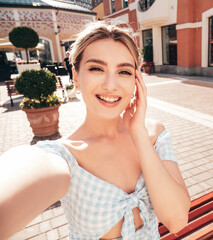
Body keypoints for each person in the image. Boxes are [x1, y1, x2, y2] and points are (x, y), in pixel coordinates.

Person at [0, 21, 190, 240]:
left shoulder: (154, 134)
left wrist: (138, 132)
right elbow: (22, 172)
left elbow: (177, 221)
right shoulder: (64, 156)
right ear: (77, 76)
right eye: (96, 68)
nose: (111, 85)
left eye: (124, 71)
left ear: (137, 80)